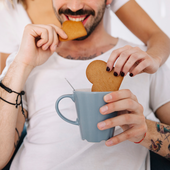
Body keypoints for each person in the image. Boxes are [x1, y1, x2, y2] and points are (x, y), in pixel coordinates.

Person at [0, 0, 170, 170]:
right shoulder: (25, 61)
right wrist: (21, 64)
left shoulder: (141, 61)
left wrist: (146, 131)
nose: (74, 7)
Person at [0, 0, 170, 76]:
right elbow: (7, 79)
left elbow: (156, 36)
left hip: (103, 79)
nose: (75, 7)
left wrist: (154, 60)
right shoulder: (8, 9)